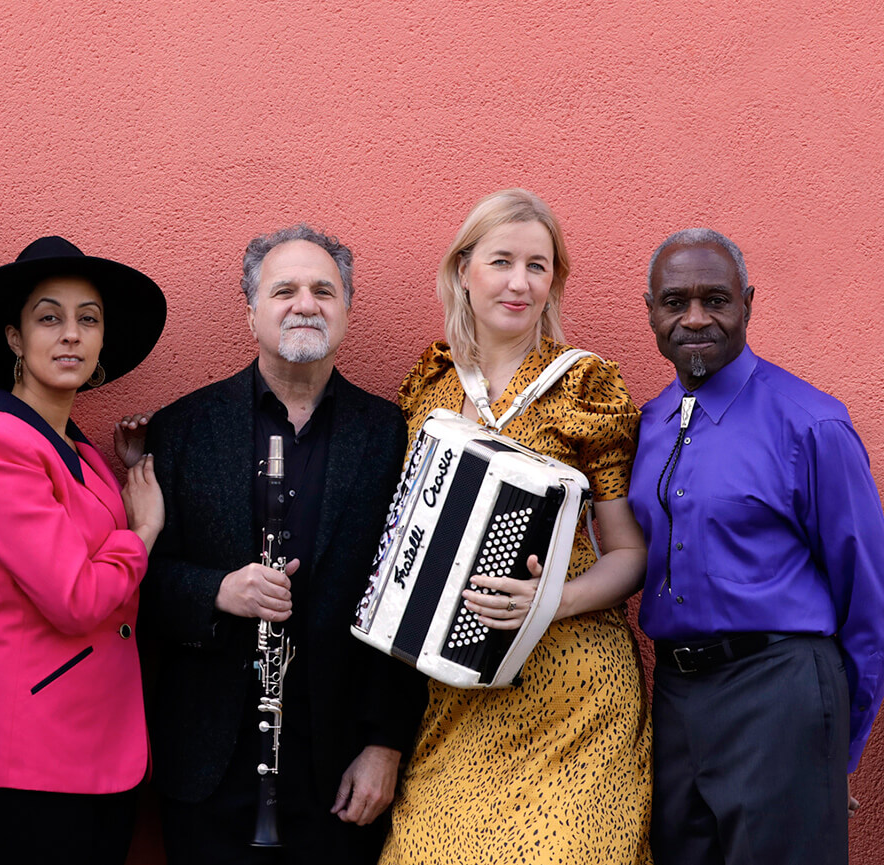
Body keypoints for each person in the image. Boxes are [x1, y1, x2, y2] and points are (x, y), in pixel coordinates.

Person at [378, 189, 651, 865]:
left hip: (576, 697)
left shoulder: (586, 384)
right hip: (456, 690)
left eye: (539, 265)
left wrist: (550, 600)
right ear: (464, 269)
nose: (520, 282)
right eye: (502, 261)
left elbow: (629, 552)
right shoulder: (430, 381)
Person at [140, 224, 427, 864]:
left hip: (339, 763)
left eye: (324, 290)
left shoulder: (393, 436)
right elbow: (140, 581)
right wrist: (216, 591)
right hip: (208, 760)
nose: (305, 304)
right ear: (252, 310)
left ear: (347, 309)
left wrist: (385, 744)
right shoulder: (182, 428)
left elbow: (409, 604)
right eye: (285, 290)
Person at [630, 228, 884, 865]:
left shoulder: (811, 422)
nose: (694, 318)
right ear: (651, 310)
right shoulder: (653, 422)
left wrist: (836, 746)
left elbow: (867, 597)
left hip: (780, 692)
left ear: (747, 303)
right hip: (677, 696)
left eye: (715, 299)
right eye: (674, 301)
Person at [0, 235, 167, 865]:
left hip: (99, 749)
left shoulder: (83, 451)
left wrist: (120, 481)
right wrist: (142, 531)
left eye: (87, 320)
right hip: (31, 756)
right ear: (15, 338)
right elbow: (76, 597)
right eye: (50, 318)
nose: (70, 334)